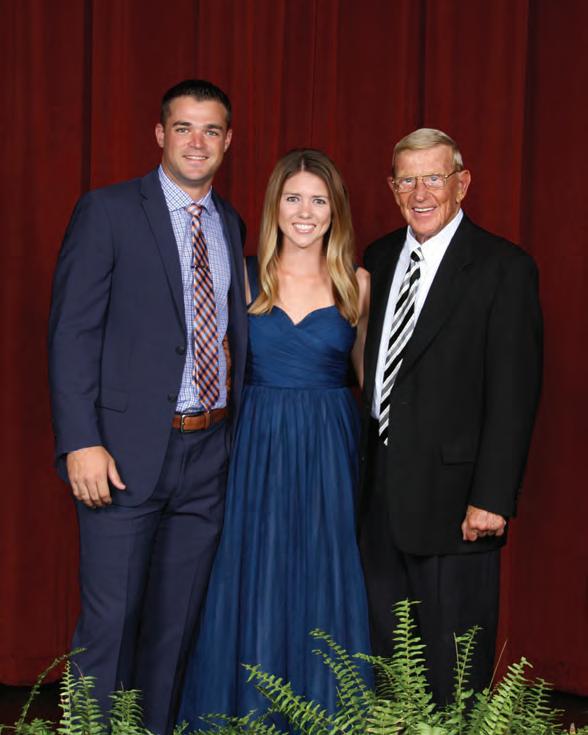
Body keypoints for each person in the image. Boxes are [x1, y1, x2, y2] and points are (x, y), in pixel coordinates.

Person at [48, 79, 247, 735]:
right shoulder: (107, 211)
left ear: (227, 141)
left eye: (211, 130)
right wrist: (80, 440)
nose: (197, 142)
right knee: (110, 624)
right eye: (184, 128)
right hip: (122, 455)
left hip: (208, 454)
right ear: (160, 134)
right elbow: (72, 332)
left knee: (173, 627)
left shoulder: (231, 223)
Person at [177, 149, 371, 727]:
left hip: (330, 447)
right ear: (275, 207)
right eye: (293, 198)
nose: (305, 212)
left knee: (324, 570)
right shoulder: (243, 276)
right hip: (258, 444)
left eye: (318, 200)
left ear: (335, 210)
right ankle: (252, 714)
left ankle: (326, 714)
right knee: (256, 569)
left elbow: (371, 381)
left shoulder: (357, 283)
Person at [359, 128, 543, 704]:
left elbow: (515, 393)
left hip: (458, 503)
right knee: (385, 665)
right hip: (378, 497)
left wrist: (492, 497)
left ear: (462, 184)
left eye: (433, 178)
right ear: (392, 188)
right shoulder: (377, 258)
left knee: (452, 673)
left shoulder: (503, 267)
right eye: (407, 180)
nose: (420, 193)